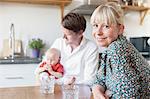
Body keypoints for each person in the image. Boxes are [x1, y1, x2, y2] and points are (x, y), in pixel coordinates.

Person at [90, 2, 150, 99]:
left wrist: (109, 93)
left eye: (106, 26)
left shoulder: (117, 49)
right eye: (95, 25)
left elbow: (129, 95)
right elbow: (100, 79)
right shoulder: (109, 48)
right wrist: (97, 90)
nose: (98, 32)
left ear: (120, 29)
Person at [50, 12, 99, 85]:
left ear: (80, 33)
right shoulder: (59, 42)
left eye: (68, 34)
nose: (64, 37)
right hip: (57, 89)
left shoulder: (91, 48)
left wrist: (64, 82)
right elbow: (43, 66)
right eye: (64, 33)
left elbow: (90, 80)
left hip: (79, 91)